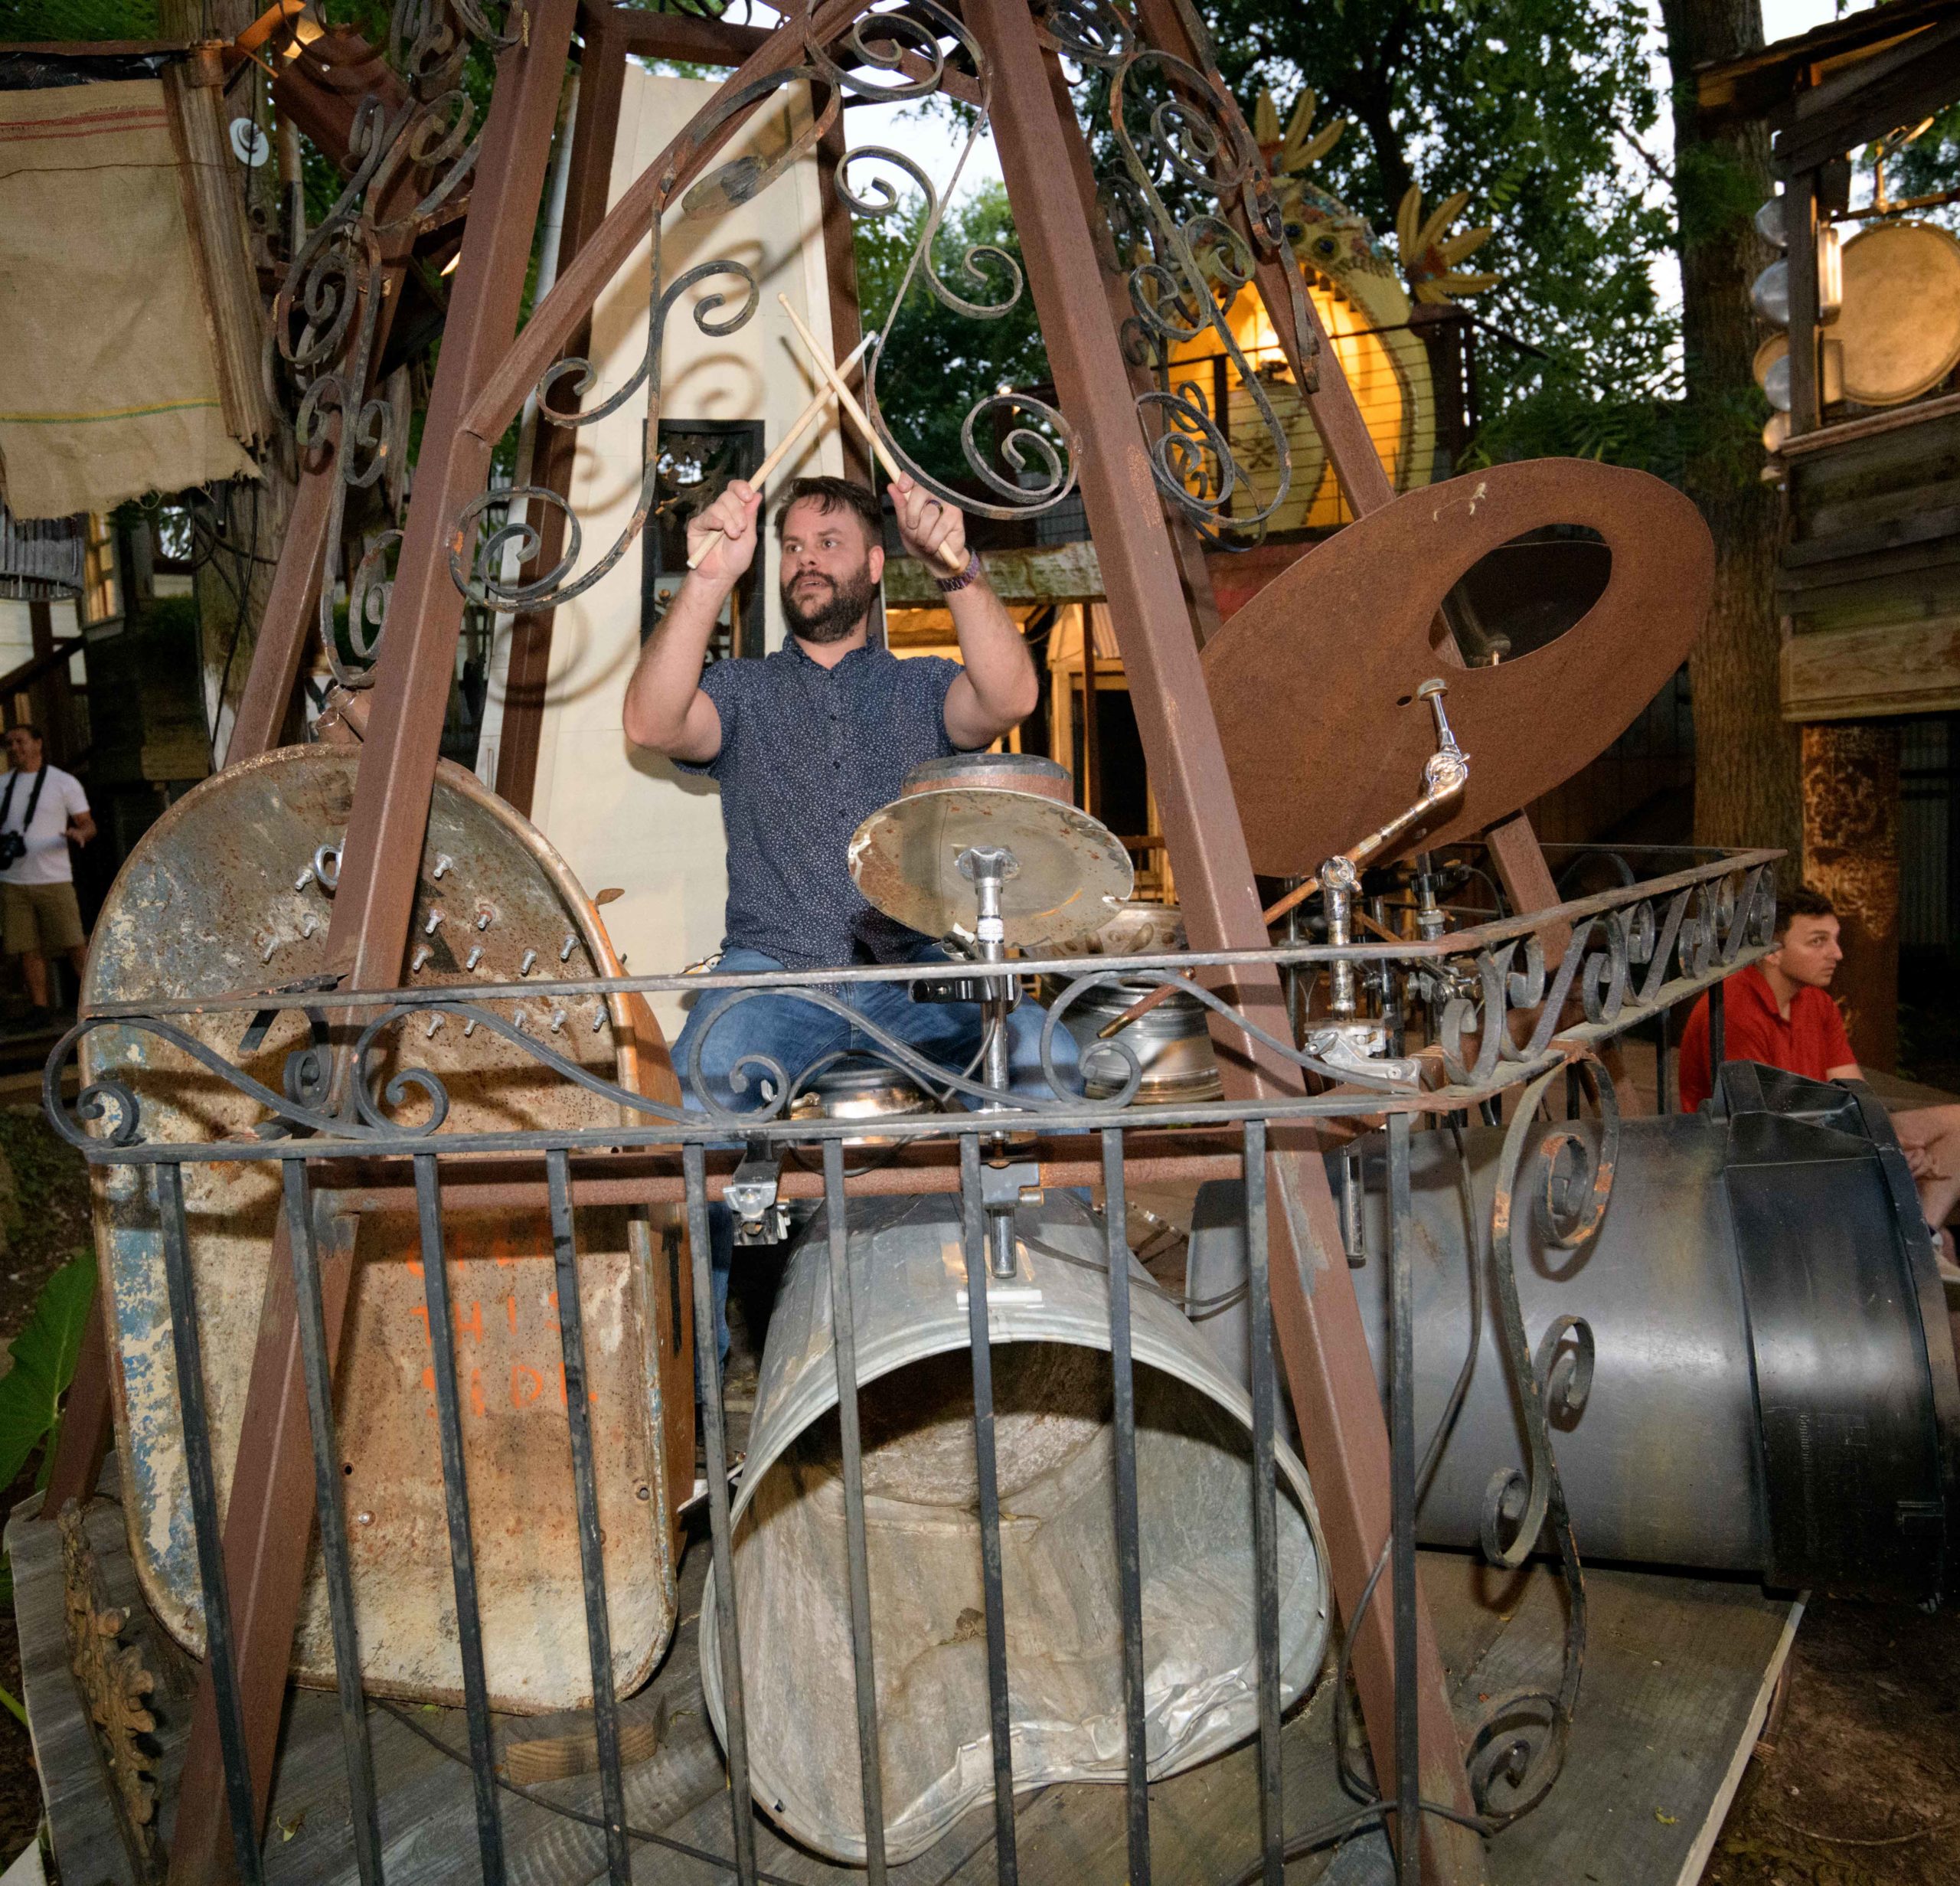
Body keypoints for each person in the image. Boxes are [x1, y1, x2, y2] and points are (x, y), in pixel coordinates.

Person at [622, 471, 1079, 1347]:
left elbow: (1012, 698)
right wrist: (710, 577)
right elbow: (650, 722)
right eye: (791, 547)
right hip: (774, 977)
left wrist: (954, 566)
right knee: (691, 1096)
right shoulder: (741, 691)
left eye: (828, 545)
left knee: (1046, 1056)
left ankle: (1050, 1319)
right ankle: (692, 1379)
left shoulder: (921, 688)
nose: (805, 562)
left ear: (875, 564)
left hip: (919, 971)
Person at [1677, 886, 1960, 1260]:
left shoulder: (1816, 1002)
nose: (1836, 954)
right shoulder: (1735, 1009)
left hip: (1818, 1133)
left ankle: (1921, 1240)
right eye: (1817, 942)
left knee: (1955, 1125)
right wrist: (1882, 1152)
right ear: (1774, 952)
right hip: (1751, 1157)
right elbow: (1761, 1128)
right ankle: (1910, 1247)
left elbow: (1856, 1095)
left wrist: (1896, 1145)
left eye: (1835, 940)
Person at [0, 724, 93, 1025]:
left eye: (21, 742)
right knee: (27, 947)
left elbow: (88, 824)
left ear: (38, 743)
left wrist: (79, 834)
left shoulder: (63, 783)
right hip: (13, 879)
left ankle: (95, 1003)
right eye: (9, 744)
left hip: (53, 878)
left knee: (73, 943)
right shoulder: (3, 784)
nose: (15, 748)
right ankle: (40, 1008)